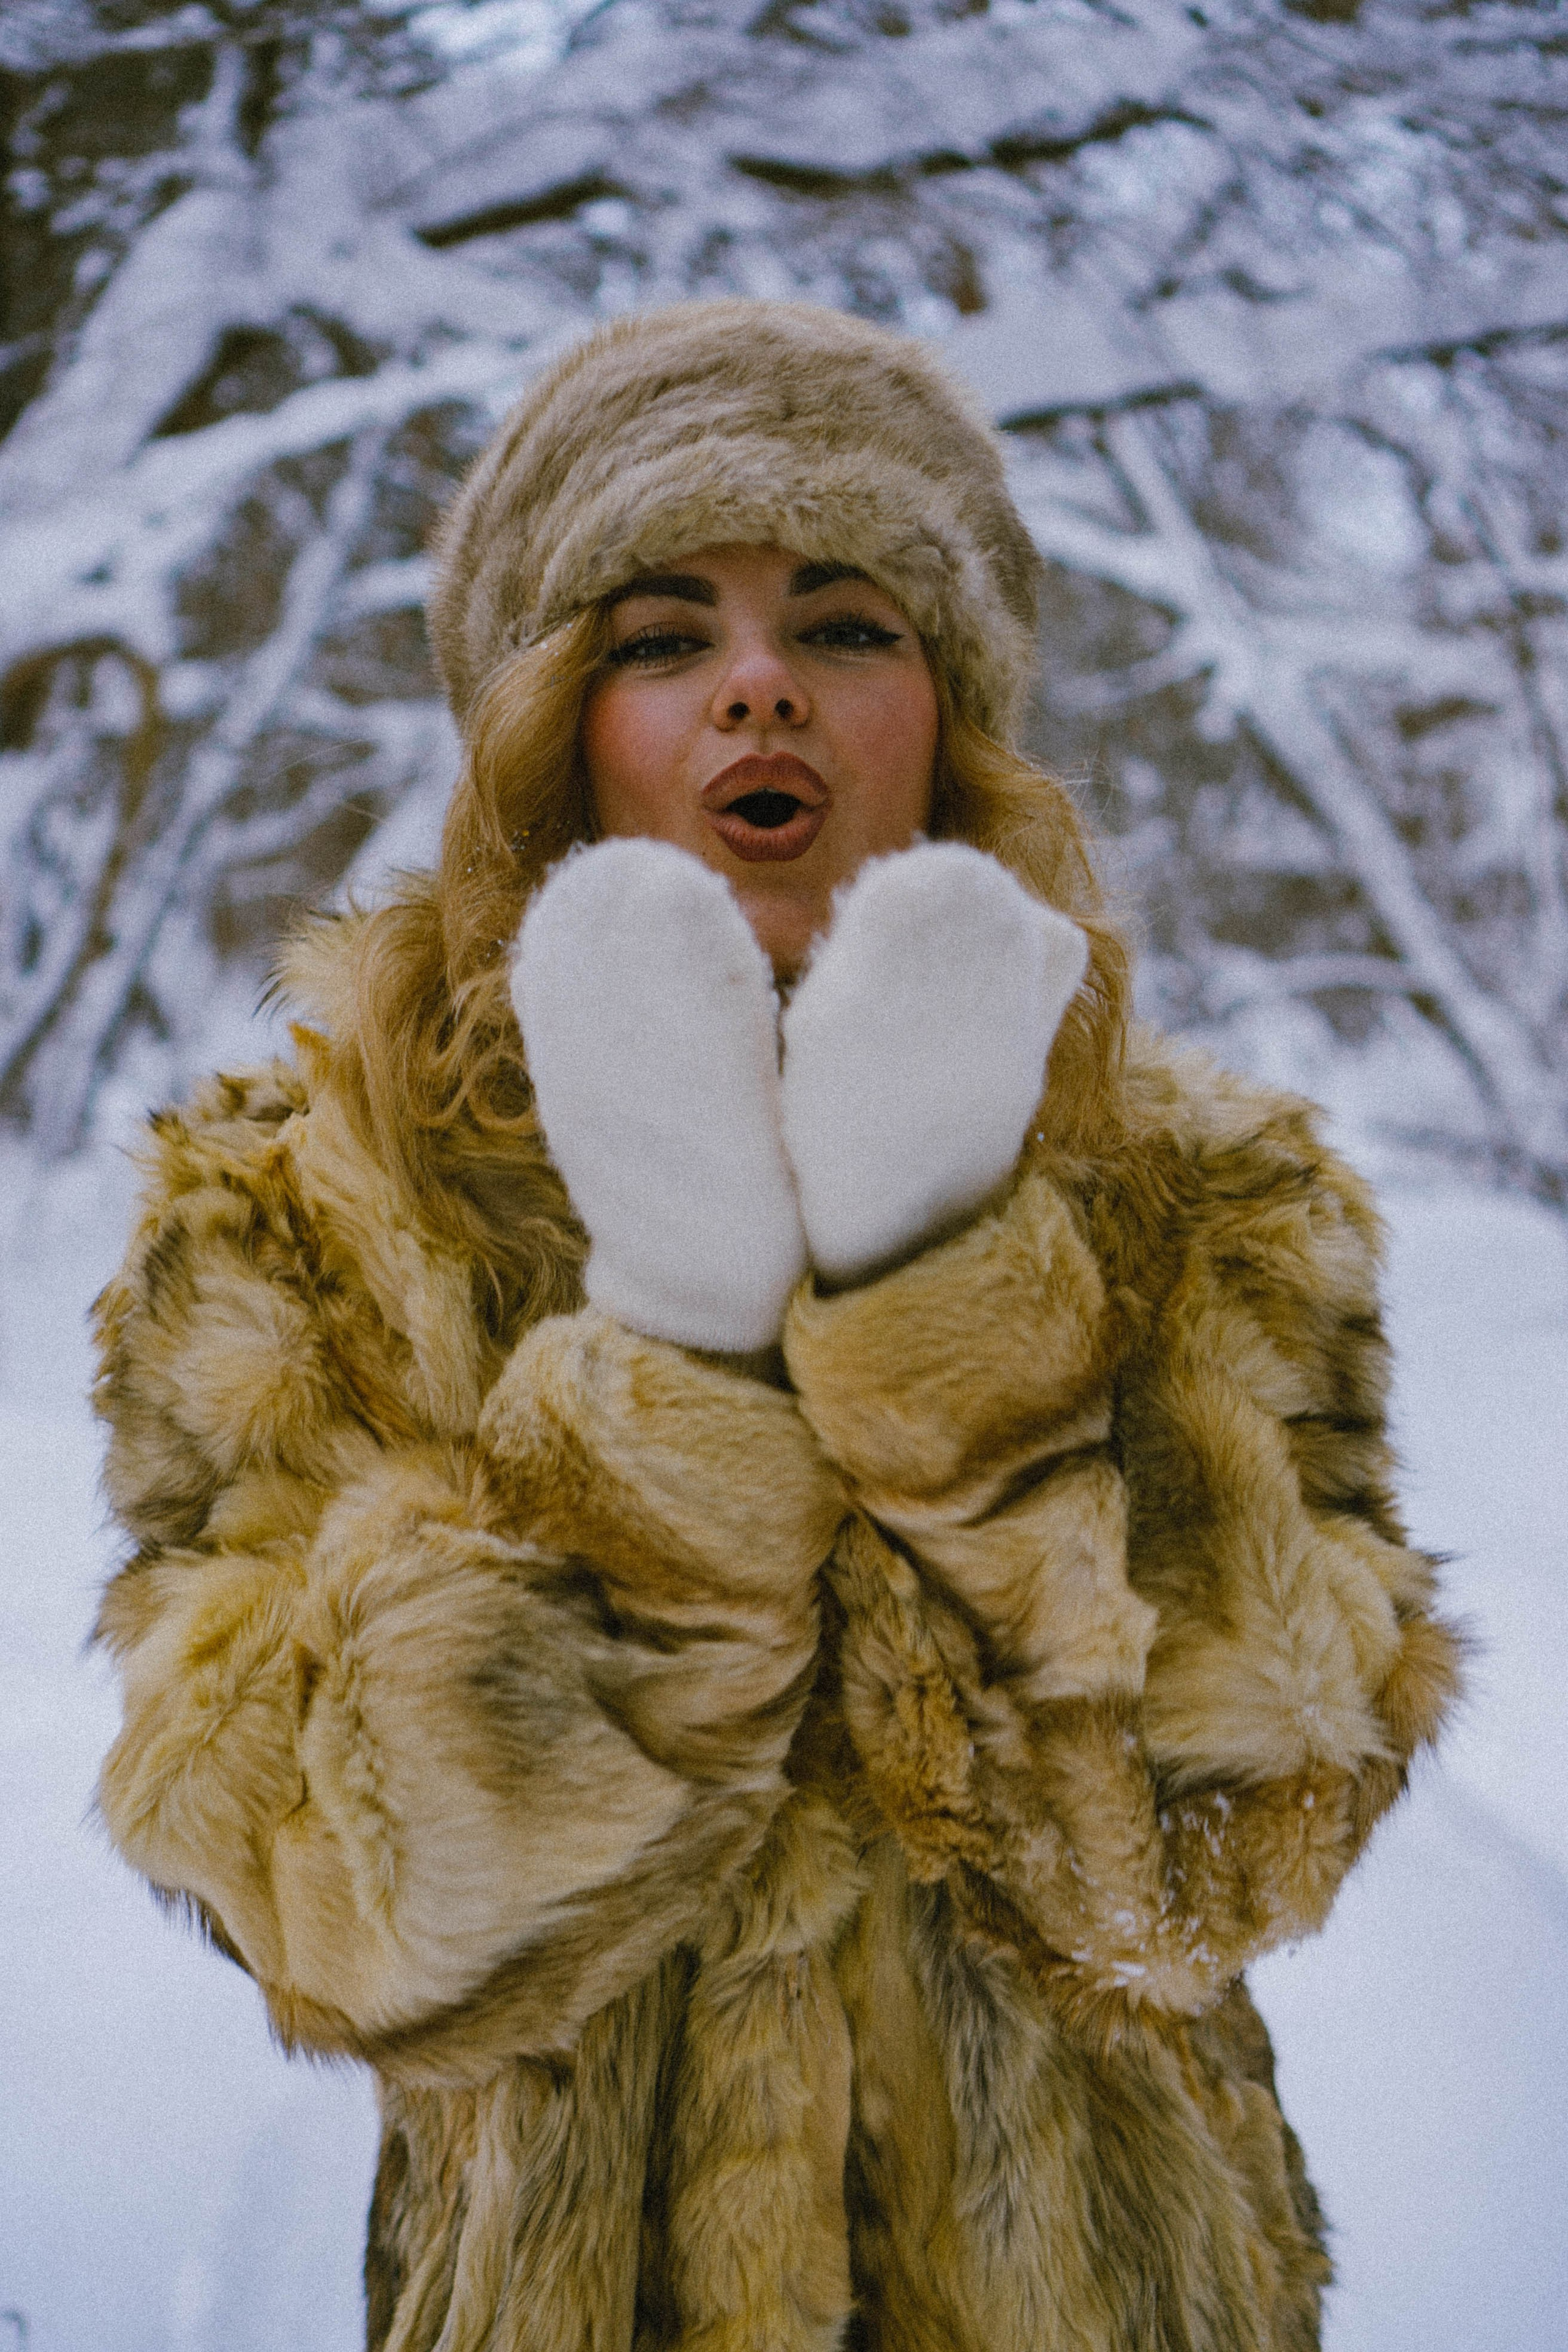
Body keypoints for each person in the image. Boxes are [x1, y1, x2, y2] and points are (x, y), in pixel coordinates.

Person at [91, 302, 1461, 2352]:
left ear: (949, 703)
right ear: (552, 722)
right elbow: (320, 1898)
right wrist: (673, 1362)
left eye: (843, 623)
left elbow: (1224, 1863)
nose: (757, 686)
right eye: (661, 639)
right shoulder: (316, 1211)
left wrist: (947, 1295)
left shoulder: (1203, 1195)